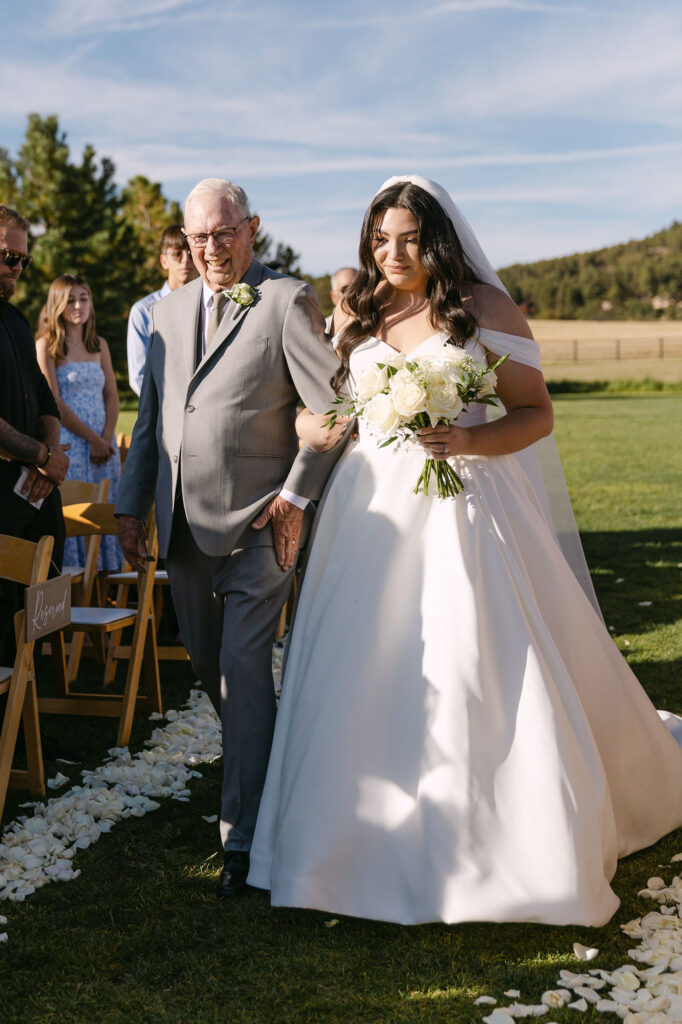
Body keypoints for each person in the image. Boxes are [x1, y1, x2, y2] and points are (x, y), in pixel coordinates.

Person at [247, 175, 682, 927]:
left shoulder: (480, 308)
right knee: (361, 665)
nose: (393, 252)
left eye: (409, 238)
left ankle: (497, 844)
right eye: (381, 238)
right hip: (367, 513)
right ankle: (340, 846)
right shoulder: (364, 311)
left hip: (460, 509)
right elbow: (331, 417)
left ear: (436, 238)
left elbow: (537, 414)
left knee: (471, 661)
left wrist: (472, 440)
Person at [114, 178, 348, 897]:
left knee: (244, 669)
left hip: (259, 529)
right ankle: (279, 773)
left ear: (252, 230)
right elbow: (153, 419)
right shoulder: (167, 312)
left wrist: (294, 497)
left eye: (224, 234)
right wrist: (130, 505)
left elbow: (335, 410)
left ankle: (242, 839)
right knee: (213, 671)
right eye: (197, 238)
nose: (211, 250)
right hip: (182, 529)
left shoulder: (286, 300)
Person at [0, 206, 70, 662]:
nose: (18, 269)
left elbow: (44, 400)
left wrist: (48, 459)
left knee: (46, 603)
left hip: (34, 488)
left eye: (23, 260)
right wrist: (42, 456)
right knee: (4, 609)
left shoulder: (18, 320)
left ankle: (34, 699)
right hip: (3, 491)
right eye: (9, 257)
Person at [36, 275, 122, 571]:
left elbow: (111, 394)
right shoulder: (47, 345)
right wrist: (92, 438)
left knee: (105, 515)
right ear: (58, 304)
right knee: (76, 518)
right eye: (71, 299)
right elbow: (54, 402)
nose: (78, 305)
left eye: (83, 298)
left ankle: (105, 585)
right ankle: (76, 588)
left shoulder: (100, 345)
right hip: (73, 447)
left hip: (103, 450)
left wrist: (106, 437)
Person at [127, 225, 198, 396]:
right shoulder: (143, 311)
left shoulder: (213, 304)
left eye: (190, 253)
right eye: (177, 254)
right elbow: (139, 376)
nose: (185, 260)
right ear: (164, 261)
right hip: (164, 412)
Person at [324, 266, 357, 332]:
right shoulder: (323, 330)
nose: (354, 293)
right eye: (346, 290)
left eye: (359, 287)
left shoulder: (378, 324)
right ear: (333, 296)